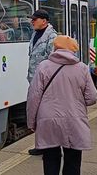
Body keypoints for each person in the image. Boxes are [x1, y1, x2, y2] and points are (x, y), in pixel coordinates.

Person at [27, 35, 97, 175]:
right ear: (73, 50)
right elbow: (92, 97)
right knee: (73, 159)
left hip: (48, 119)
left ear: (55, 47)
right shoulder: (82, 68)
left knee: (50, 159)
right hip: (74, 119)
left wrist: (31, 122)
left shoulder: (43, 66)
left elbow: (33, 96)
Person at [27, 9, 57, 155]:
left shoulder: (52, 36)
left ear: (44, 21)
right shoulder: (35, 34)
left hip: (45, 83)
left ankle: (49, 146)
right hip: (34, 81)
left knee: (46, 115)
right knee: (38, 114)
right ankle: (41, 144)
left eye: (35, 19)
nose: (32, 21)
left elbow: (52, 61)